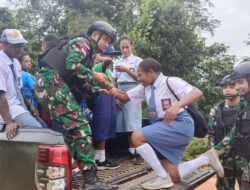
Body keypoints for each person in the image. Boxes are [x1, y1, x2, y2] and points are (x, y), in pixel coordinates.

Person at [102, 58, 224, 189]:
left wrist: (176, 106)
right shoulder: (145, 88)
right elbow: (124, 97)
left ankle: (161, 177)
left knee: (136, 137)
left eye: (140, 74)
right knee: (174, 177)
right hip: (162, 127)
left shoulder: (170, 81)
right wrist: (107, 85)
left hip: (180, 124)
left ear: (151, 72)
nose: (138, 79)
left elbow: (197, 92)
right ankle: (206, 159)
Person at [35, 21, 118, 190]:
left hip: (51, 85)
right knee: (81, 128)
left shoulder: (88, 55)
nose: (107, 44)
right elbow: (72, 65)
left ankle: (65, 173)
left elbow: (81, 83)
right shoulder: (84, 43)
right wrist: (95, 75)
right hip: (52, 83)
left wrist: (100, 90)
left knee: (73, 133)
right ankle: (91, 182)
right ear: (96, 35)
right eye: (106, 40)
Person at [0, 29, 42, 139]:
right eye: (15, 45)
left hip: (19, 106)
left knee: (45, 127)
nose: (19, 49)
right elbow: (0, 95)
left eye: (20, 45)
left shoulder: (16, 63)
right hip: (8, 108)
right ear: (4, 44)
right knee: (38, 131)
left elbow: (19, 89)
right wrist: (9, 122)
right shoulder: (1, 63)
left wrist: (30, 105)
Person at [215, 61, 250, 190]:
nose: (236, 87)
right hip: (232, 159)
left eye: (240, 82)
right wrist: (214, 153)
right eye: (236, 83)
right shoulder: (244, 107)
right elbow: (233, 133)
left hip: (243, 160)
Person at [211, 75, 244, 190]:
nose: (228, 89)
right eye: (225, 87)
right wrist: (213, 155)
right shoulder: (216, 110)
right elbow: (211, 134)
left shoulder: (246, 108)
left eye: (232, 86)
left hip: (244, 159)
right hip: (224, 159)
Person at [112, 35, 142, 158]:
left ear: (131, 46)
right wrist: (116, 96)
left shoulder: (137, 61)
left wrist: (127, 70)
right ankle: (130, 151)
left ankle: (138, 151)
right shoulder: (117, 62)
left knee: (132, 123)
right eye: (122, 47)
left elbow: (140, 79)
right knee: (123, 124)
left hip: (133, 90)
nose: (125, 50)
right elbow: (113, 80)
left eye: (127, 47)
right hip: (120, 90)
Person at [91, 44, 121, 170]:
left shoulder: (109, 70)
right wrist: (102, 57)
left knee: (107, 127)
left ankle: (99, 157)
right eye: (109, 54)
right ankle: (102, 160)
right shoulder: (99, 66)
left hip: (109, 100)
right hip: (102, 98)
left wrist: (116, 98)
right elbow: (106, 62)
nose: (111, 58)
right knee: (102, 128)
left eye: (113, 55)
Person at [17, 51, 47, 128]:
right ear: (19, 63)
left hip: (27, 107)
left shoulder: (19, 75)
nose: (29, 63)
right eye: (26, 61)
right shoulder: (25, 75)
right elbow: (36, 89)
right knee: (43, 128)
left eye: (29, 61)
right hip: (32, 108)